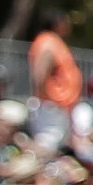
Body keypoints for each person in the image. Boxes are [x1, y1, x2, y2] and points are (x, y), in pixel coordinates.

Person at [19, 25, 76, 158]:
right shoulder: (48, 40)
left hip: (55, 105)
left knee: (53, 149)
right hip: (49, 105)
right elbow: (41, 71)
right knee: (45, 148)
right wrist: (43, 95)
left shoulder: (53, 41)